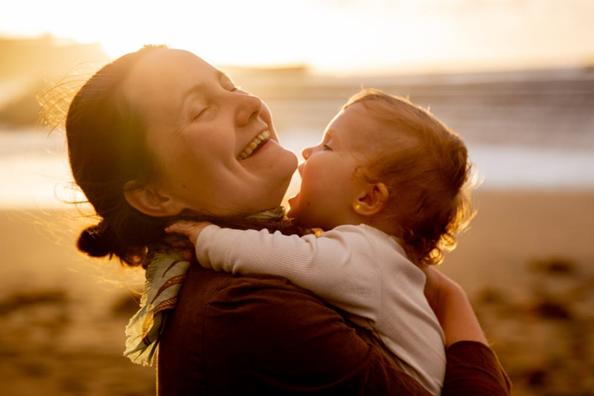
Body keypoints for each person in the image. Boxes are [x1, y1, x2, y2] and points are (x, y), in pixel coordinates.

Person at [65, 45, 511, 395]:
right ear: (154, 194)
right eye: (201, 109)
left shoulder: (269, 260)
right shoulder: (249, 309)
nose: (249, 102)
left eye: (229, 84)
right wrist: (452, 302)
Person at [165, 89, 474, 395]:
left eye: (328, 145)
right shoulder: (384, 261)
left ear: (367, 197)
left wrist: (206, 238)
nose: (307, 152)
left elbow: (282, 255)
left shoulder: (365, 254)